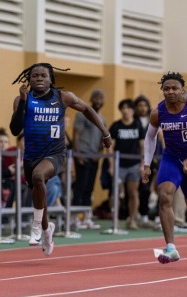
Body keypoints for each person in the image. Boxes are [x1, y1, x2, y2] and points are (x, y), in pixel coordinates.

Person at [9, 63, 112, 255]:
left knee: (39, 177)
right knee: (38, 195)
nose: (39, 78)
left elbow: (87, 109)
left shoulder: (63, 97)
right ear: (29, 80)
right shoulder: (22, 99)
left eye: (43, 76)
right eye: (34, 76)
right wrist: (23, 101)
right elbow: (15, 130)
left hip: (55, 153)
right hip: (31, 155)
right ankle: (47, 230)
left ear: (51, 79)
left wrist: (105, 133)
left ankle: (36, 226)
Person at [142, 72, 187, 264]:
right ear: (162, 90)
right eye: (167, 89)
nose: (171, 92)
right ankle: (171, 247)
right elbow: (150, 137)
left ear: (182, 90)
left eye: (174, 88)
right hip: (171, 158)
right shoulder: (158, 112)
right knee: (164, 195)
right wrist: (146, 164)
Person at [109, 99, 143, 228]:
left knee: (133, 192)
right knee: (115, 193)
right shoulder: (116, 126)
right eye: (123, 108)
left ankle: (132, 219)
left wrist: (142, 164)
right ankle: (114, 219)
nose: (125, 111)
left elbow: (143, 146)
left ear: (133, 111)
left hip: (134, 164)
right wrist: (111, 165)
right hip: (119, 164)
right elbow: (110, 146)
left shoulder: (138, 125)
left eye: (128, 108)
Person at [72, 89, 107, 210]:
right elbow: (76, 134)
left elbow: (102, 140)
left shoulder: (103, 119)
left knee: (90, 187)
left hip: (94, 157)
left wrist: (99, 155)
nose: (99, 99)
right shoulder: (82, 114)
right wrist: (77, 154)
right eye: (96, 97)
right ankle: (75, 216)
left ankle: (86, 216)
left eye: (101, 97)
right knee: (80, 185)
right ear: (91, 99)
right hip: (83, 153)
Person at [133, 95, 155, 228]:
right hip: (136, 158)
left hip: (151, 158)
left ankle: (146, 216)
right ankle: (134, 215)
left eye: (144, 105)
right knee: (137, 189)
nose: (142, 108)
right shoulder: (134, 121)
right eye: (139, 105)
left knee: (147, 189)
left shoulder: (153, 120)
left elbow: (157, 139)